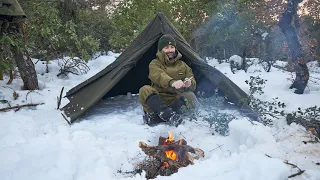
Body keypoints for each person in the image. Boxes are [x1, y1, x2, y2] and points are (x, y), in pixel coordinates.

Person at [138, 34, 197, 126]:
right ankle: (164, 115)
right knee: (144, 90)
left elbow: (192, 82)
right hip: (157, 100)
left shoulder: (183, 65)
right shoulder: (154, 63)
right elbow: (159, 76)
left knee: (190, 95)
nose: (170, 50)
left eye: (172, 47)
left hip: (174, 99)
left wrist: (190, 83)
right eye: (166, 47)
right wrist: (172, 82)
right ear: (161, 50)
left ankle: (162, 117)